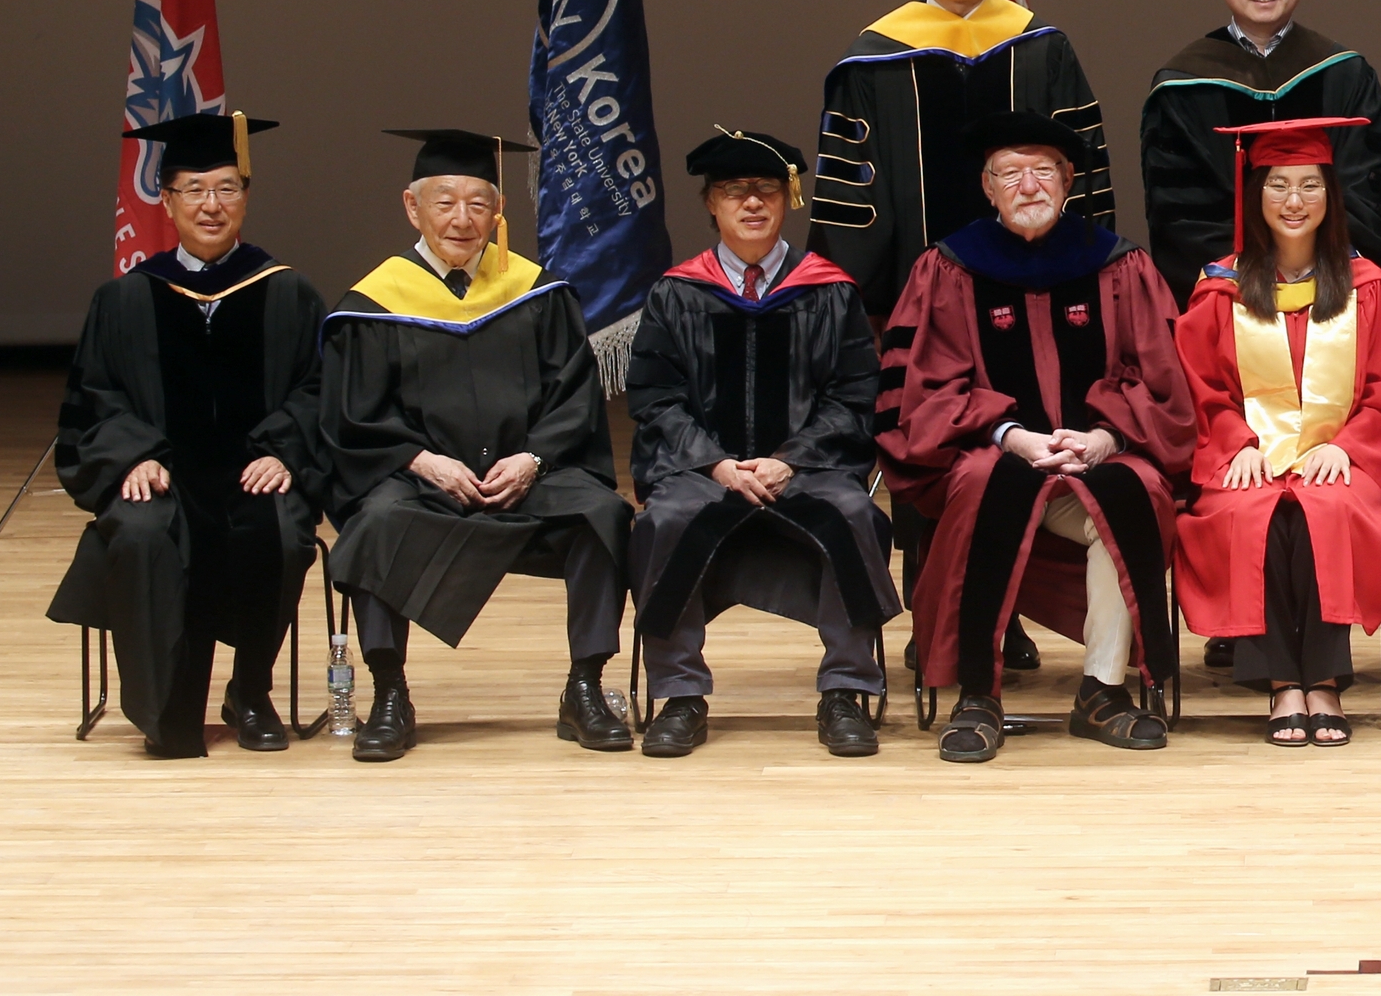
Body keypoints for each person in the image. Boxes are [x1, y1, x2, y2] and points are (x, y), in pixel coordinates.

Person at [876, 111, 1200, 762]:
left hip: (1096, 457)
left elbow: (1164, 378)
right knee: (980, 483)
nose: (1029, 186)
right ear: (987, 186)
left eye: (1044, 171)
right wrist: (1010, 434)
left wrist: (1106, 436)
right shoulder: (948, 268)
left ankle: (1103, 691)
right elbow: (923, 390)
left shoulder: (1120, 265)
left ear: (1068, 179)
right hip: (993, 453)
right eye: (1010, 173)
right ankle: (978, 693)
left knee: (1136, 491)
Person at [321, 129, 631, 762]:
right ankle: (390, 693)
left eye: (477, 203)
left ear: (498, 211)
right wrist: (423, 462)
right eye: (444, 202)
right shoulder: (376, 302)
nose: (461, 219)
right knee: (374, 520)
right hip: (423, 482)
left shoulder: (536, 291)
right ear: (413, 208)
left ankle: (584, 686)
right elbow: (355, 414)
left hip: (524, 477)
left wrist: (533, 459)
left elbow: (573, 396)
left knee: (603, 514)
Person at [45, 112, 323, 757]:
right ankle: (168, 707)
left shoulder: (289, 293)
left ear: (245, 198)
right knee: (144, 532)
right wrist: (130, 455)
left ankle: (250, 691)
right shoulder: (126, 299)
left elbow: (319, 389)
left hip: (252, 470)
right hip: (163, 474)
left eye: (226, 188)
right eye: (193, 190)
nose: (211, 205)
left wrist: (285, 450)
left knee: (283, 532)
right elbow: (95, 395)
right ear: (166, 201)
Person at [623, 128, 899, 759]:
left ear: (787, 200)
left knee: (853, 513)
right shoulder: (676, 292)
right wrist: (717, 464)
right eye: (734, 191)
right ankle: (680, 695)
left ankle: (845, 691)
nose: (752, 203)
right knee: (665, 519)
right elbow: (655, 397)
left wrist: (788, 460)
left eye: (767, 190)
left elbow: (855, 395)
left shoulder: (829, 290)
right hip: (702, 472)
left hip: (807, 469)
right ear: (711, 204)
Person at [1172, 117, 1381, 747]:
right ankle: (1284, 683)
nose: (1293, 200)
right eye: (1278, 185)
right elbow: (1200, 388)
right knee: (1251, 511)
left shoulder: (1367, 288)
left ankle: (1325, 682)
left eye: (1310, 185)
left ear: (1330, 195)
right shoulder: (1220, 290)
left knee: (1326, 508)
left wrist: (1347, 447)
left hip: (1342, 460)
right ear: (1254, 194)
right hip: (1248, 460)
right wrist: (1234, 441)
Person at [810, 0, 1113, 319]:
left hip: (1041, 291)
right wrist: (865, 308)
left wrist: (1081, 269)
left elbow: (1081, 168)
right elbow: (852, 197)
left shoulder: (1041, 47)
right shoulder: (873, 62)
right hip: (914, 301)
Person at [1140, 0, 1381, 306]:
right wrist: (1251, 276)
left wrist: (1318, 271)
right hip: (1233, 297)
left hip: (1339, 291)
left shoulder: (1344, 73)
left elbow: (1374, 191)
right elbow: (1180, 217)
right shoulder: (1182, 85)